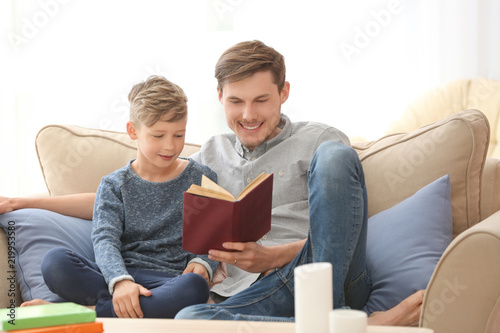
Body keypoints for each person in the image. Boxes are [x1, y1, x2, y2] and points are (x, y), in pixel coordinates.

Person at [0, 41, 423, 326]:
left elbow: (343, 227)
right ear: (219, 95)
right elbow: (125, 196)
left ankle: (338, 314)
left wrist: (274, 255)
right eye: (236, 101)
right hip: (248, 293)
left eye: (262, 100)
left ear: (284, 92)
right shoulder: (208, 156)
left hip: (314, 272)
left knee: (335, 157)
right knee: (190, 321)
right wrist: (25, 200)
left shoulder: (320, 139)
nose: (249, 115)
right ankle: (345, 327)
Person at [22, 75, 220, 319]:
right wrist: (120, 282)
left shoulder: (203, 178)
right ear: (132, 131)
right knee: (54, 262)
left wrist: (203, 264)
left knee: (194, 287)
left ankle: (86, 313)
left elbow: (212, 239)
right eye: (158, 136)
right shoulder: (114, 184)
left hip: (171, 281)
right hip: (115, 277)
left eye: (179, 135)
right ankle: (137, 308)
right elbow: (105, 239)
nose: (170, 146)